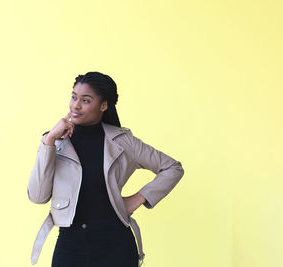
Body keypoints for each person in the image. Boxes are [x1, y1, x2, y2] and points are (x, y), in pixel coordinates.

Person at [27, 71, 184, 267]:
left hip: (115, 244)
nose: (75, 105)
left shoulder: (123, 141)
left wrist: (139, 198)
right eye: (74, 97)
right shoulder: (56, 143)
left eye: (85, 100)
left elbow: (172, 168)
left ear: (103, 105)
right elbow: (37, 196)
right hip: (71, 244)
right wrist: (49, 140)